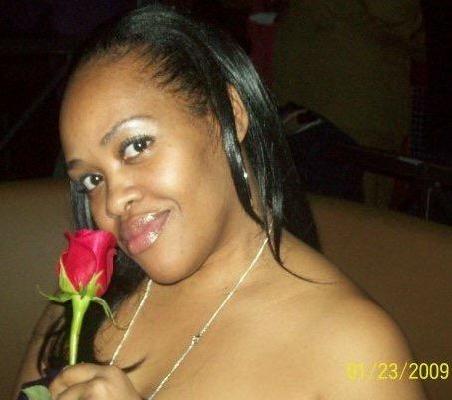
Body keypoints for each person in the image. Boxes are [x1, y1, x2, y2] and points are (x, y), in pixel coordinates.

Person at [14, 4, 427, 399]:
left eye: (137, 146)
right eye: (92, 179)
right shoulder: (85, 304)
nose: (113, 202)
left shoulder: (356, 349)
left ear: (230, 114)